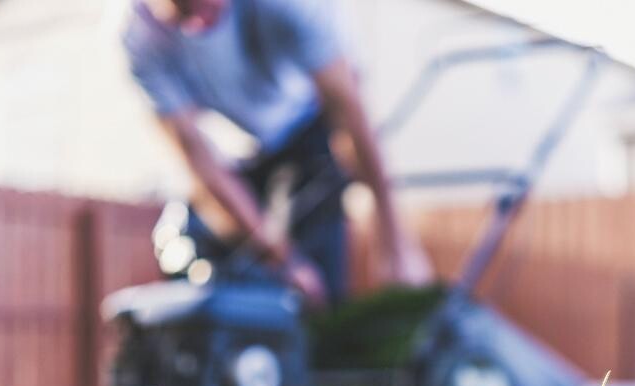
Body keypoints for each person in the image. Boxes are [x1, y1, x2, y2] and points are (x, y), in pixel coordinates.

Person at [122, 0, 433, 305]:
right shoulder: (140, 37)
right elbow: (199, 162)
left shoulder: (289, 5)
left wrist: (395, 241)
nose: (203, 16)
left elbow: (347, 109)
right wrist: (281, 260)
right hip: (239, 152)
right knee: (192, 249)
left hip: (309, 129)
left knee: (317, 278)